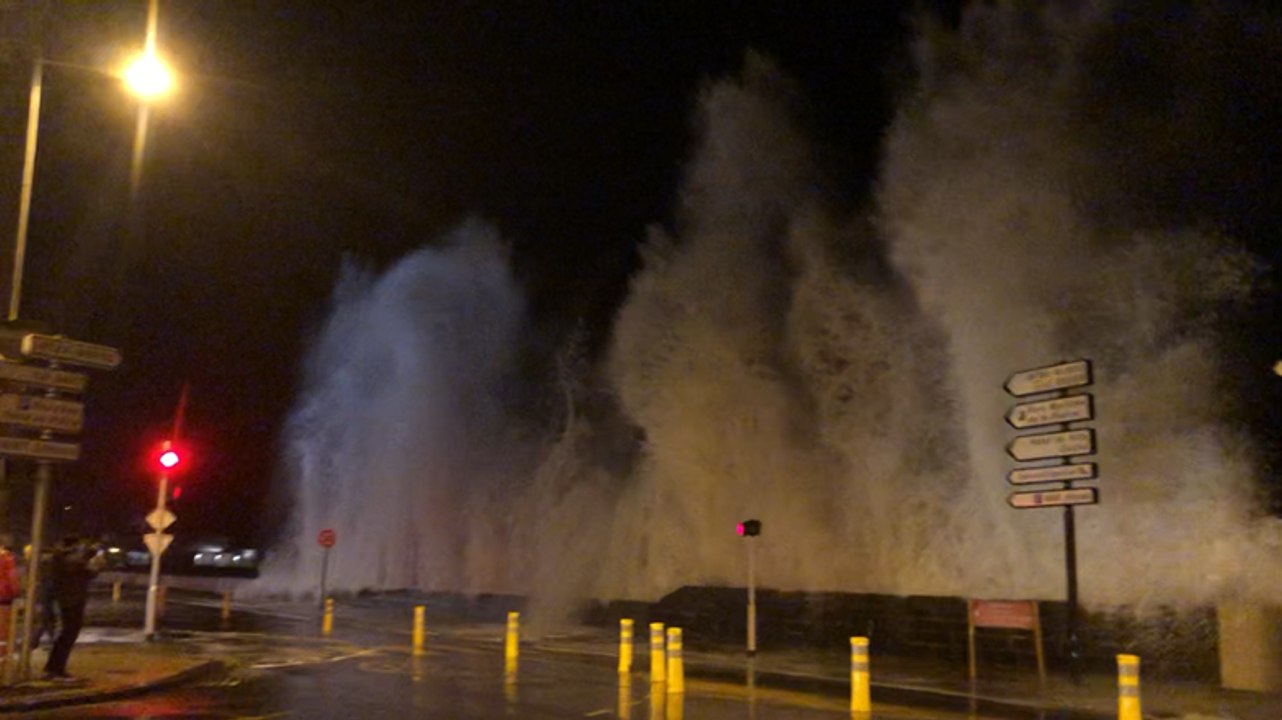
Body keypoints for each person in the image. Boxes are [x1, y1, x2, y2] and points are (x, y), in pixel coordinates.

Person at [43, 536, 105, 680]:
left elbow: (85, 573)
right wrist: (92, 554)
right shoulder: (65, 559)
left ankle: (55, 667)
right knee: (68, 633)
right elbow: (79, 568)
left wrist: (95, 565)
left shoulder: (64, 559)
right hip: (70, 600)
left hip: (72, 599)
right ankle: (55, 669)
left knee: (68, 633)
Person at [0, 535, 19, 661]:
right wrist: (16, 592)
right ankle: (2, 657)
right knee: (3, 630)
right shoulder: (6, 558)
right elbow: (12, 578)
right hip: (3, 597)